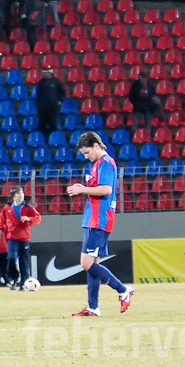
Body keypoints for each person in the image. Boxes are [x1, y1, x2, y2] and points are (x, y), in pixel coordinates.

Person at [67, 131, 133, 316]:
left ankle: (123, 290)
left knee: (86, 262)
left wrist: (82, 189)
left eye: (87, 152)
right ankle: (93, 307)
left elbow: (106, 189)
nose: (86, 157)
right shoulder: (98, 164)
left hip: (99, 218)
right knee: (93, 263)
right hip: (93, 217)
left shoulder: (105, 163)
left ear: (96, 145)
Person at [0, 186, 41, 289]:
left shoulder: (27, 207)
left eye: (22, 193)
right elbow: (2, 220)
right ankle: (14, 278)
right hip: (12, 237)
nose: (21, 195)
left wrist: (29, 219)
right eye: (18, 194)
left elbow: (38, 217)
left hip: (24, 237)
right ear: (13, 196)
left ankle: (23, 282)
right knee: (11, 258)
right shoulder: (7, 208)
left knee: (24, 261)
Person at [34, 66, 67, 135]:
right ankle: (42, 138)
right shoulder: (41, 82)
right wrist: (38, 106)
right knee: (42, 124)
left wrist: (60, 100)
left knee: (53, 123)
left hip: (53, 106)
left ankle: (53, 137)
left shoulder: (57, 81)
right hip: (43, 106)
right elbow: (38, 95)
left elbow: (63, 92)